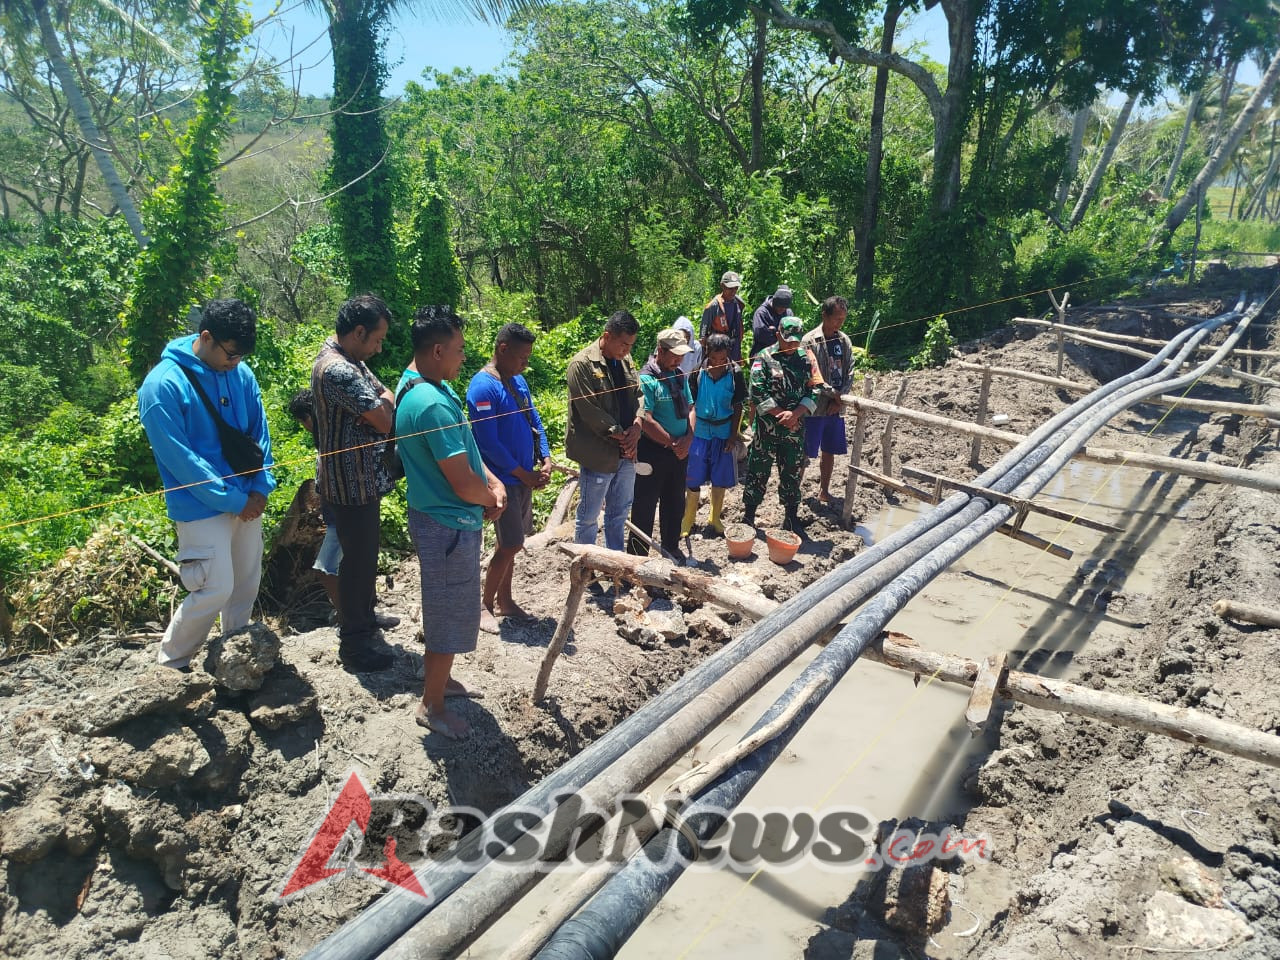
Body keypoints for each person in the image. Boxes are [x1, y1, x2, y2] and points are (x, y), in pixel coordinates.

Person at [137, 298, 275, 671]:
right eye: (231, 354)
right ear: (207, 337)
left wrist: (261, 486)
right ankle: (171, 663)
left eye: (242, 355)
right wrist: (233, 499)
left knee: (245, 584)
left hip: (248, 497)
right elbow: (182, 462)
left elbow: (259, 434)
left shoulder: (241, 373)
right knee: (213, 588)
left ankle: (238, 658)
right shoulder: (162, 386)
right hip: (200, 507)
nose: (236, 362)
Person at [396, 305, 506, 740]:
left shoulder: (420, 385)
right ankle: (432, 704)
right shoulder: (430, 405)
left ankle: (441, 683)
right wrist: (491, 495)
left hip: (447, 520)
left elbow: (467, 456)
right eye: (459, 350)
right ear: (438, 350)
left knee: (452, 608)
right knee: (447, 614)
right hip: (446, 524)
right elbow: (462, 481)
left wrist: (491, 481)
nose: (464, 358)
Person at [310, 294, 398, 673]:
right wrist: (381, 407)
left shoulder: (351, 361)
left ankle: (364, 617)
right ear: (358, 331)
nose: (378, 348)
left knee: (363, 559)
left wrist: (383, 403)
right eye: (376, 339)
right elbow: (383, 419)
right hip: (350, 483)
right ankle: (355, 645)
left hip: (360, 479)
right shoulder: (339, 370)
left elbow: (386, 396)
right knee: (354, 564)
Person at [287, 389, 398, 630]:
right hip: (341, 512)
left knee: (327, 568)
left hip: (346, 512)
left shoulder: (337, 434)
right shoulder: (329, 434)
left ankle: (352, 616)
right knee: (354, 563)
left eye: (303, 420)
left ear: (308, 416)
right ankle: (358, 614)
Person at [466, 322, 552, 633]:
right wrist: (522, 475)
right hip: (504, 482)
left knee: (513, 544)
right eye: (521, 357)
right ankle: (485, 606)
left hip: (523, 479)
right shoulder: (483, 388)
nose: (525, 364)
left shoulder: (517, 381)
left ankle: (506, 600)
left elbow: (535, 420)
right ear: (503, 349)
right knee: (508, 544)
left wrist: (545, 457)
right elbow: (488, 443)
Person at [567, 310, 642, 552]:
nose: (627, 350)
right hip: (599, 454)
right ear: (607, 336)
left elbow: (639, 395)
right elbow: (589, 410)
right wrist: (622, 434)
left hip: (627, 453)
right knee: (589, 518)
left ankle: (615, 565)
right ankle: (586, 569)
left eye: (631, 345)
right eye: (623, 344)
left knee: (618, 514)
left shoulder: (626, 360)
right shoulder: (582, 365)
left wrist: (637, 426)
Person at [742, 317, 819, 533]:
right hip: (767, 429)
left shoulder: (806, 358)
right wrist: (780, 414)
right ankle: (748, 516)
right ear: (778, 335)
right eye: (788, 341)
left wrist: (795, 414)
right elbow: (757, 390)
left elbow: (815, 389)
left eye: (796, 341)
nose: (792, 345)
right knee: (758, 470)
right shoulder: (764, 357)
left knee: (792, 472)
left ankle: (791, 519)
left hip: (794, 429)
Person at [630, 328, 695, 562]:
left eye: (682, 355)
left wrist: (688, 438)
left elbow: (690, 408)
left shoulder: (679, 375)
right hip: (653, 451)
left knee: (675, 501)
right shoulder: (646, 378)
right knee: (644, 506)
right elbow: (645, 418)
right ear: (660, 351)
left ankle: (671, 546)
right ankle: (637, 557)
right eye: (674, 355)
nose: (679, 360)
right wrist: (672, 443)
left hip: (680, 451)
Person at [681, 333, 746, 537]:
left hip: (723, 431)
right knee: (693, 476)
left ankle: (715, 518)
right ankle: (688, 519)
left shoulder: (735, 374)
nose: (718, 363)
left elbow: (738, 405)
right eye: (714, 358)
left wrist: (733, 435)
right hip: (699, 431)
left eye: (722, 359)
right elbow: (689, 405)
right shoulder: (696, 373)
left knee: (720, 477)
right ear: (707, 352)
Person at [802, 296, 855, 504]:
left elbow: (850, 369)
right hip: (814, 406)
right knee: (805, 453)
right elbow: (811, 375)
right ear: (825, 315)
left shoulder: (844, 340)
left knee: (829, 450)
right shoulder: (809, 340)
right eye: (836, 319)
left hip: (836, 406)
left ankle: (824, 490)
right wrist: (832, 394)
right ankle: (794, 495)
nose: (839, 323)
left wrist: (840, 397)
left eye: (843, 319)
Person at [700, 270, 747, 361]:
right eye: (730, 288)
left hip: (734, 347)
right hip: (718, 349)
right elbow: (703, 333)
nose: (733, 291)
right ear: (722, 286)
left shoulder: (738, 303)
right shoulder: (713, 306)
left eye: (736, 288)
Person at [750, 285, 794, 357]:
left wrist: (774, 332)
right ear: (774, 302)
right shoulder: (762, 313)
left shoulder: (788, 313)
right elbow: (761, 336)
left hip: (782, 356)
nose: (782, 309)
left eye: (785, 307)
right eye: (780, 306)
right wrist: (781, 337)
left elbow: (792, 334)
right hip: (762, 355)